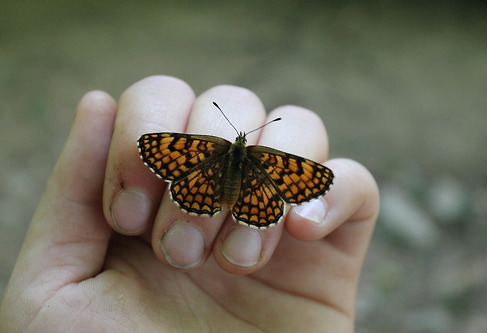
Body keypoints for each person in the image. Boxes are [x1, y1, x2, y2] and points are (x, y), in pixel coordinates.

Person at [0, 76, 379, 332]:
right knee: (253, 199)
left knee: (205, 191)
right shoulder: (268, 157)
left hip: (204, 184)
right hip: (252, 194)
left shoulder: (207, 147)